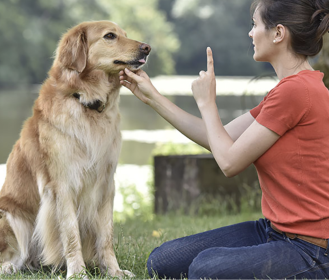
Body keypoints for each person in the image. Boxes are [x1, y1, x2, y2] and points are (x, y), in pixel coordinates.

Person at [119, 0, 329, 278]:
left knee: (205, 269)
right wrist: (152, 97)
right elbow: (222, 138)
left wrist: (208, 103)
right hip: (274, 232)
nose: (251, 33)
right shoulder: (289, 90)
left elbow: (228, 162)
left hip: (310, 249)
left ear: (278, 33)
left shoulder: (295, 92)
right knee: (163, 261)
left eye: (255, 25)